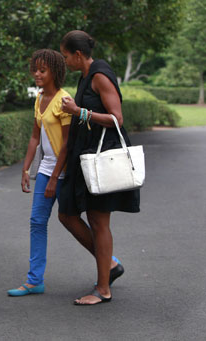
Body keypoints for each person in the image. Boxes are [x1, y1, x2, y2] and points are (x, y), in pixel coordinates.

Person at [58, 30, 139, 305]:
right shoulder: (84, 76)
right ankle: (110, 266)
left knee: (98, 220)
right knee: (67, 214)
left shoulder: (100, 75)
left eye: (66, 56)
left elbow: (117, 117)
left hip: (102, 154)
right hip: (83, 153)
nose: (65, 60)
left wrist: (78, 111)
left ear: (78, 55)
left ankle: (103, 288)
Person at [7, 49, 72, 296]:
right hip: (45, 170)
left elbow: (66, 143)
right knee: (36, 222)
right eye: (34, 69)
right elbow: (35, 137)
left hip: (64, 173)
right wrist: (26, 168)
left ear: (54, 72)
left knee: (75, 223)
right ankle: (35, 280)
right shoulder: (40, 98)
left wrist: (55, 177)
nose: (36, 73)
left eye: (42, 70)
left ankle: (109, 262)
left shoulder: (64, 101)